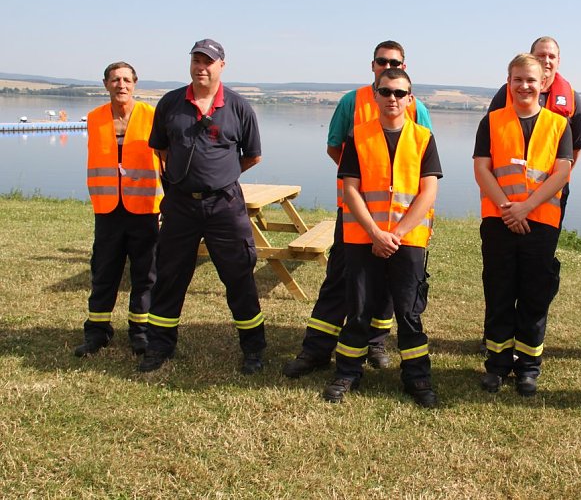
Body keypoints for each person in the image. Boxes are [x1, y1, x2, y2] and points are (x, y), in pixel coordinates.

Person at [282, 40, 433, 378]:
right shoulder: (352, 101)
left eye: (393, 61)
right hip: (356, 215)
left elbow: (422, 164)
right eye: (381, 61)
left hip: (399, 224)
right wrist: (361, 180)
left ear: (404, 68)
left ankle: (376, 344)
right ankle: (316, 349)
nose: (386, 65)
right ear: (372, 65)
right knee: (339, 280)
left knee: (389, 289)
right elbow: (336, 148)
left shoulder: (416, 107)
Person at [139, 38, 266, 375]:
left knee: (239, 276)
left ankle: (253, 349)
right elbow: (161, 150)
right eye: (196, 60)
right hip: (181, 207)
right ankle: (159, 346)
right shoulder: (170, 103)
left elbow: (253, 155)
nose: (201, 67)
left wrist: (220, 176)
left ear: (221, 65)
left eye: (208, 61)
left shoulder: (238, 107)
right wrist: (185, 180)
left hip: (225, 206)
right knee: (169, 276)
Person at [322, 68, 441, 407]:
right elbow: (350, 189)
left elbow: (428, 190)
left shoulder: (423, 138)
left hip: (408, 240)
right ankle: (347, 373)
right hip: (363, 238)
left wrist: (397, 234)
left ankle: (417, 378)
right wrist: (376, 232)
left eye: (399, 93)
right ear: (375, 95)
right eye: (386, 92)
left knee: (408, 313)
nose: (392, 99)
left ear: (410, 99)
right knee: (358, 308)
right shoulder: (358, 137)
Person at [474, 53, 573, 396]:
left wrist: (526, 207)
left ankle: (528, 367)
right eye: (518, 79)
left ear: (543, 83)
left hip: (541, 222)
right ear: (509, 82)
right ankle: (497, 364)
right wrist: (507, 208)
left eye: (531, 80)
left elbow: (561, 172)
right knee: (499, 291)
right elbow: (482, 168)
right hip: (499, 220)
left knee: (534, 295)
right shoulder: (492, 121)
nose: (524, 86)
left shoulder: (560, 125)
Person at [75, 61, 161, 357]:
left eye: (126, 79)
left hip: (145, 207)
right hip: (108, 209)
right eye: (115, 80)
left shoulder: (152, 116)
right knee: (104, 270)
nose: (120, 85)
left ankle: (141, 331)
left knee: (145, 273)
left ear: (135, 84)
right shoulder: (94, 118)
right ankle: (97, 331)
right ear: (105, 84)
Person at [486, 36, 581, 220]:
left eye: (551, 56)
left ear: (558, 61)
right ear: (530, 57)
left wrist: (554, 182)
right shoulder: (506, 93)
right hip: (506, 194)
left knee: (543, 247)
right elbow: (489, 139)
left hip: (551, 194)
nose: (546, 61)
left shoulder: (572, 98)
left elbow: (575, 148)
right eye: (540, 55)